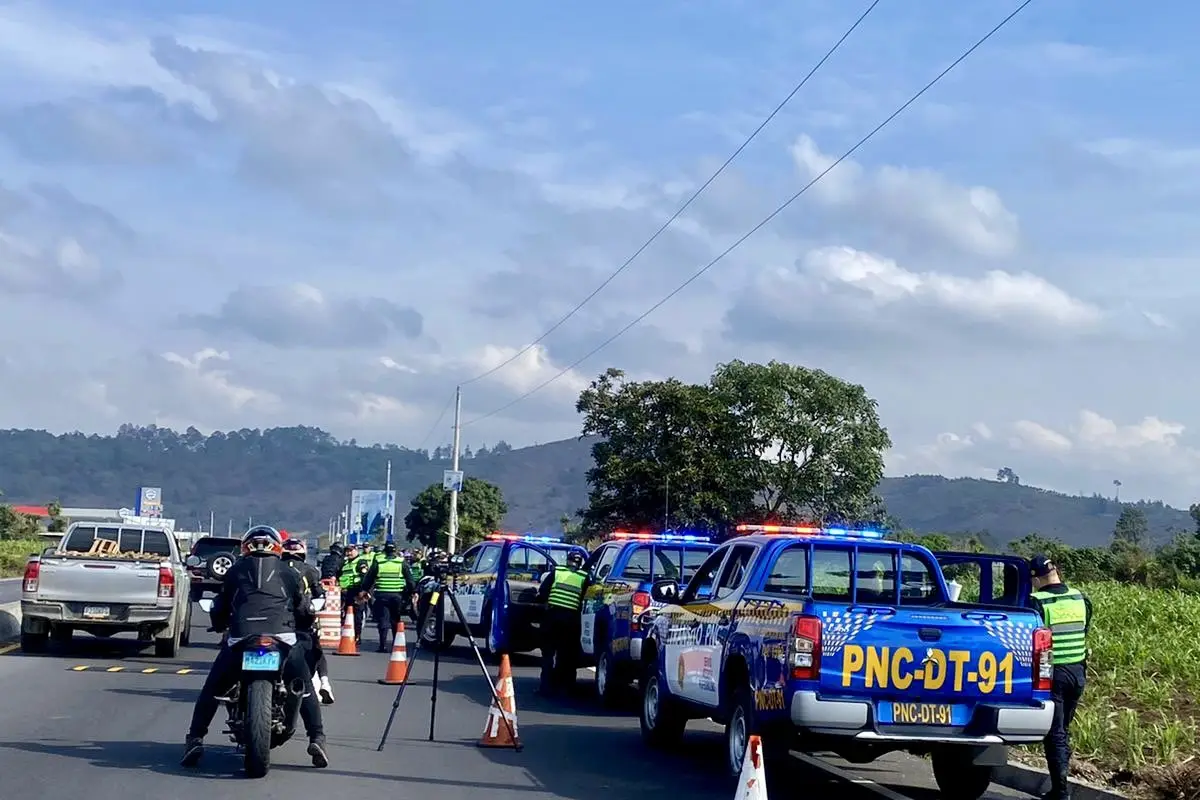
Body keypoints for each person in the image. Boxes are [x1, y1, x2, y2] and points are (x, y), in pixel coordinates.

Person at [181, 525, 329, 769]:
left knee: (212, 688)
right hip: (282, 639)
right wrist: (304, 622)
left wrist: (218, 624)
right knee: (304, 687)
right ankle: (317, 738)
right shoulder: (289, 573)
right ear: (276, 548)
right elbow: (303, 609)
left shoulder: (235, 571)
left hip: (242, 637)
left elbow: (219, 606)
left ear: (246, 548)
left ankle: (196, 738)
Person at [1030, 554, 1093, 800]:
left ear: (1035, 578)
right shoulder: (1080, 598)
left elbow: (1033, 640)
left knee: (1054, 733)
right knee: (1063, 730)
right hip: (1078, 673)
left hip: (1054, 674)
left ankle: (1061, 792)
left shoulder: (1037, 602)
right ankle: (1061, 786)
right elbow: (1084, 632)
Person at [281, 537, 335, 704]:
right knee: (316, 648)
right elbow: (320, 595)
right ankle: (324, 682)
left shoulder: (273, 568)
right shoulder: (310, 570)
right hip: (301, 617)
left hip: (274, 616)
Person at [535, 550, 587, 695]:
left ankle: (545, 688)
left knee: (548, 654)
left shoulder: (557, 572)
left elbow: (542, 592)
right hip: (571, 620)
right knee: (567, 655)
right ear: (580, 563)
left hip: (552, 617)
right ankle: (566, 688)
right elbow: (586, 599)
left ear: (567, 560)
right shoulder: (584, 577)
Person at [361, 542, 418, 652]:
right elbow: (410, 580)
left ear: (384, 551)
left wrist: (364, 590)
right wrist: (413, 592)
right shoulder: (401, 562)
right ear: (395, 551)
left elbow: (369, 578)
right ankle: (396, 644)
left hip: (382, 595)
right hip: (397, 595)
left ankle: (383, 645)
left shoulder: (379, 561)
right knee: (395, 619)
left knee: (383, 620)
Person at [337, 543, 367, 644]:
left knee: (357, 616)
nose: (349, 553)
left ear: (356, 551)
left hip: (357, 592)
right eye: (347, 551)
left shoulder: (361, 562)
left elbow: (365, 577)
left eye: (351, 550)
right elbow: (339, 575)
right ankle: (348, 635)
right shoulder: (345, 563)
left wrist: (362, 592)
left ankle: (357, 636)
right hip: (346, 593)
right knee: (347, 616)